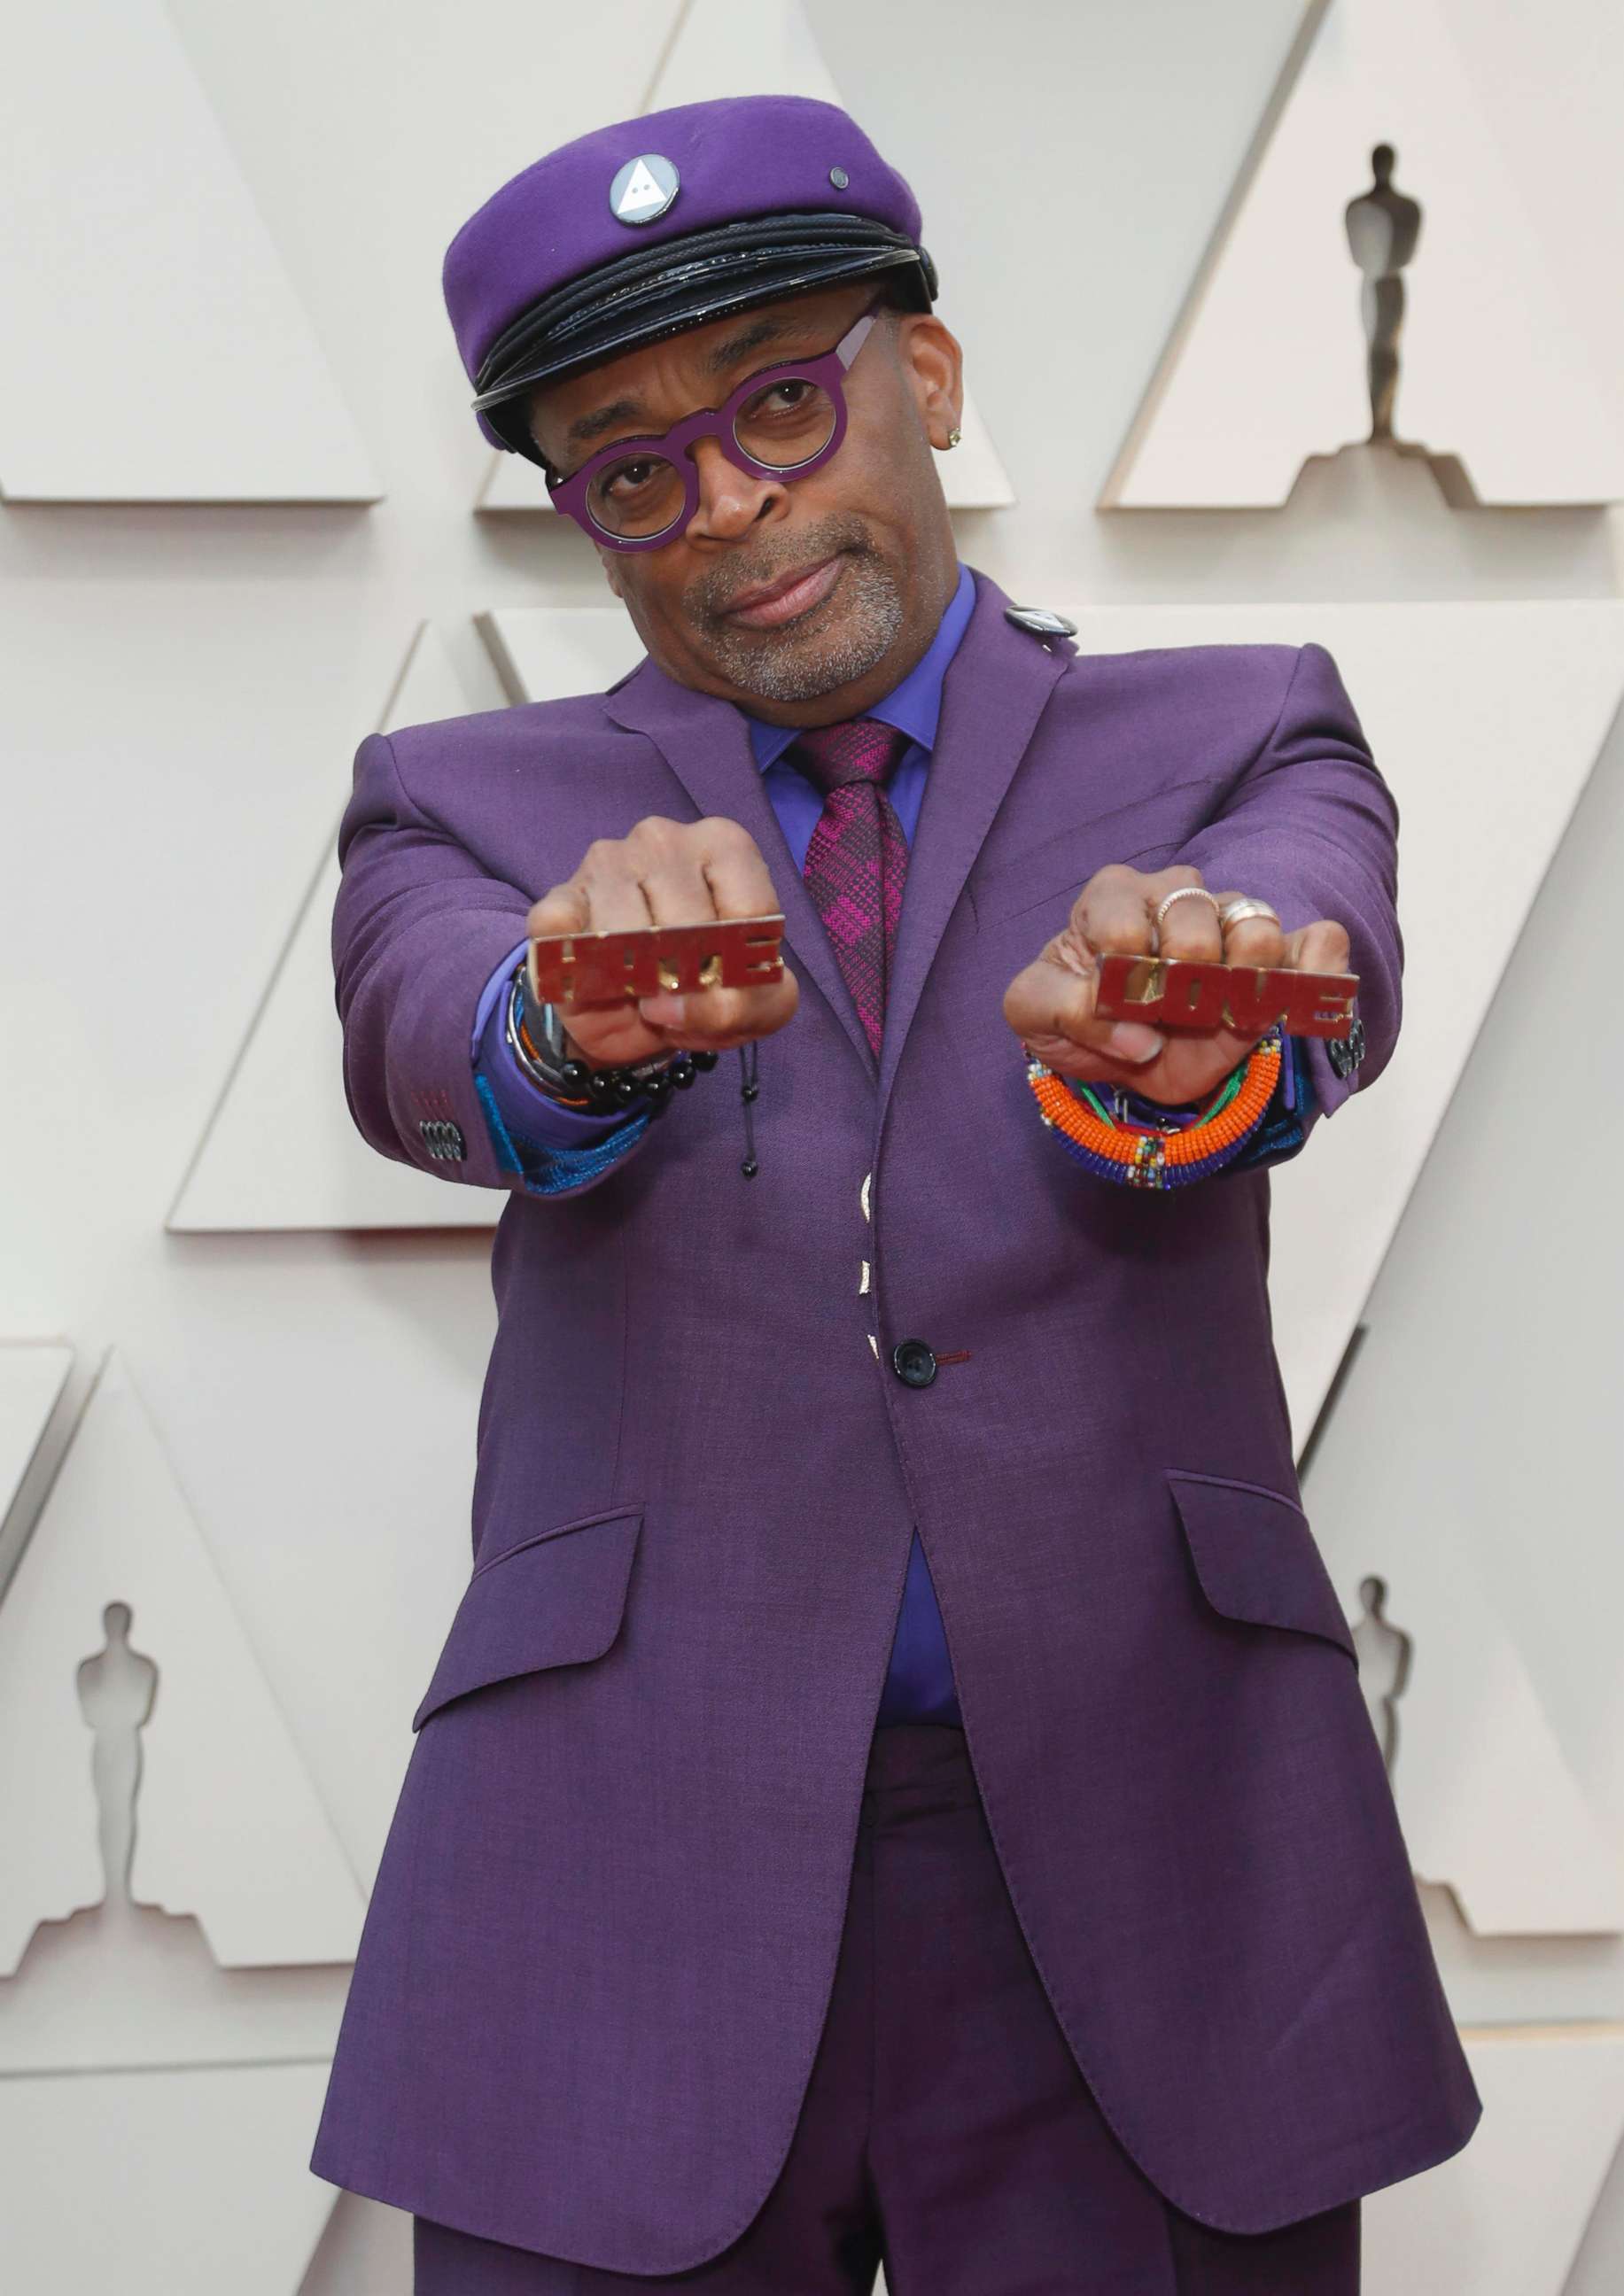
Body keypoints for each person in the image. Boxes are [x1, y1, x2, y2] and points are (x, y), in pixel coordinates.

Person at [311, 93, 1480, 2295]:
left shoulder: (1238, 730)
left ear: (919, 379)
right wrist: (566, 1020)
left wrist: (1203, 1033)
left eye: (777, 403)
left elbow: (1311, 948)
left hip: (1145, 1881)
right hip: (614, 1882)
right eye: (634, 466)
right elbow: (426, 1036)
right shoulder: (458, 806)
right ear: (578, 517)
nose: (733, 510)